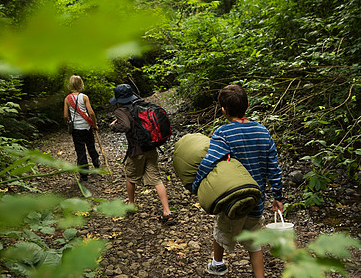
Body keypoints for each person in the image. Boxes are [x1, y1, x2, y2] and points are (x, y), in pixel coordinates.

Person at [192, 85, 283, 277]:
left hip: (231, 199)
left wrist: (196, 184)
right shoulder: (262, 131)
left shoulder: (222, 133)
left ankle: (218, 264)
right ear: (248, 104)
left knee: (221, 231)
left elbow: (210, 161)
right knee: (254, 244)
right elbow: (273, 167)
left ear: (223, 110)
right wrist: (278, 195)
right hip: (256, 200)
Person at [109, 84, 175, 225]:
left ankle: (131, 204)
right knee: (156, 179)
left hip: (136, 152)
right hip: (151, 148)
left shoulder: (121, 110)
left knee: (131, 177)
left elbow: (125, 126)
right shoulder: (140, 106)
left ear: (119, 100)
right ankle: (167, 212)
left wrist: (113, 126)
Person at [63, 75, 100, 181]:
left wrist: (69, 124)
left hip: (76, 129)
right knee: (91, 146)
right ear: (81, 85)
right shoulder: (84, 97)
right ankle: (96, 163)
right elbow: (91, 113)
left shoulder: (67, 99)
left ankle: (84, 175)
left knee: (80, 151)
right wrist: (94, 124)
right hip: (87, 127)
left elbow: (65, 116)